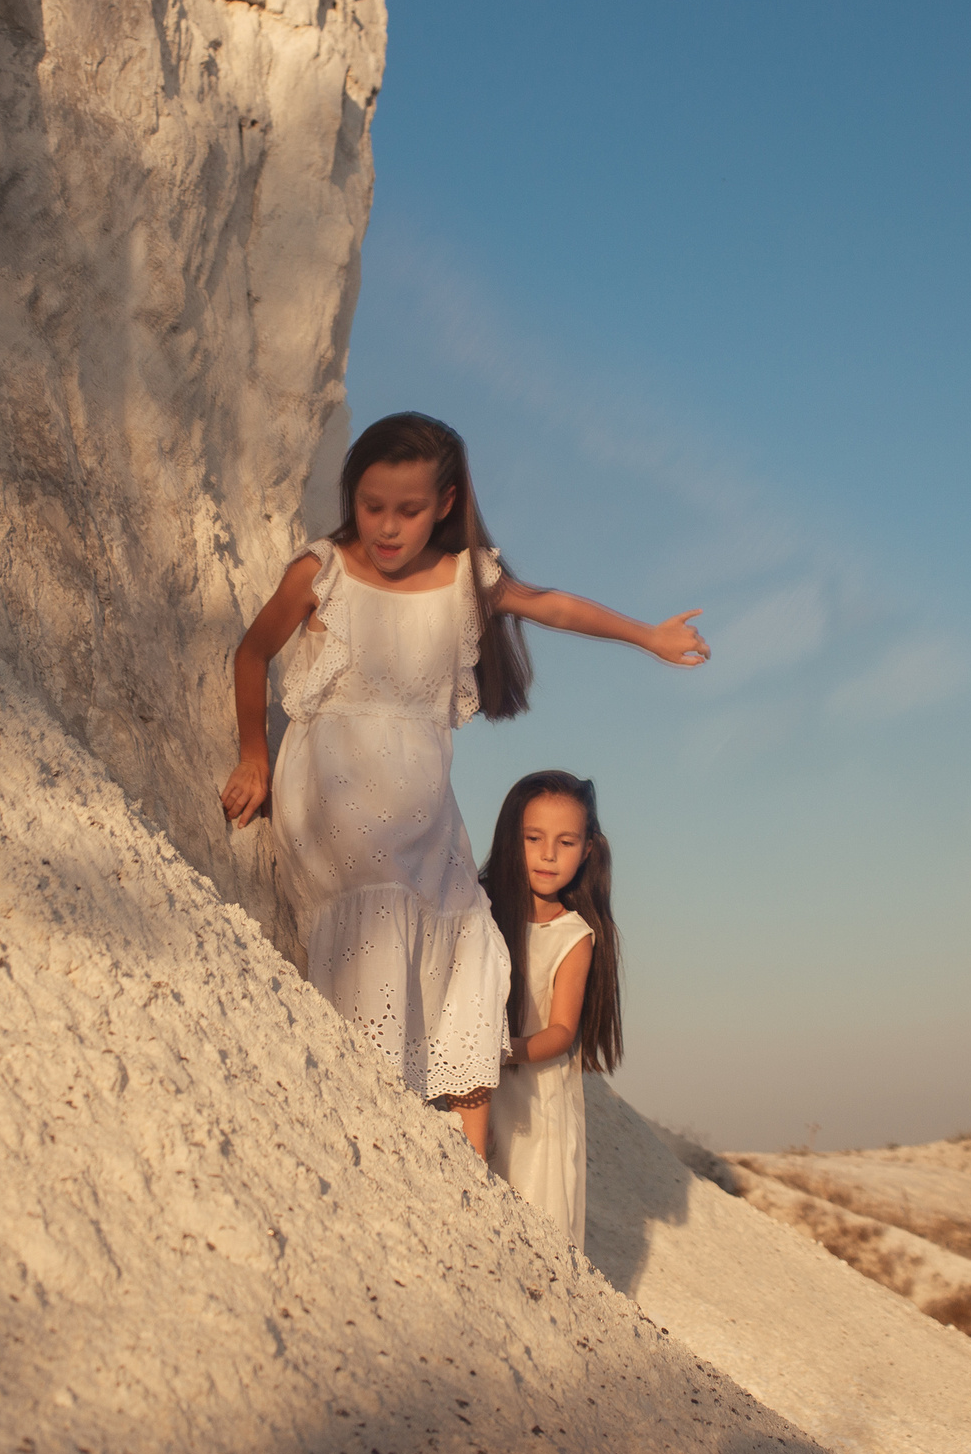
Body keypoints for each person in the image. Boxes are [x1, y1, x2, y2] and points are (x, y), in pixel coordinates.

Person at [219, 413, 704, 1158]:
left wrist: (649, 636)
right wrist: (255, 753)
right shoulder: (323, 572)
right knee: (382, 916)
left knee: (470, 935)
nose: (386, 526)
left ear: (445, 503)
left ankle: (469, 1172)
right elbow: (251, 654)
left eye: (408, 509)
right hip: (336, 783)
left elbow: (553, 605)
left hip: (422, 796)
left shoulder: (463, 579)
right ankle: (367, 1125)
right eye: (372, 505)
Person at [480, 771, 621, 1247]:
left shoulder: (574, 935)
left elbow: (561, 1030)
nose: (547, 854)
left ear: (587, 851)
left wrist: (503, 1051)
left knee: (535, 1228)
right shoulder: (477, 909)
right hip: (480, 1085)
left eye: (565, 841)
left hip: (539, 1104)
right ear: (508, 838)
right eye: (533, 837)